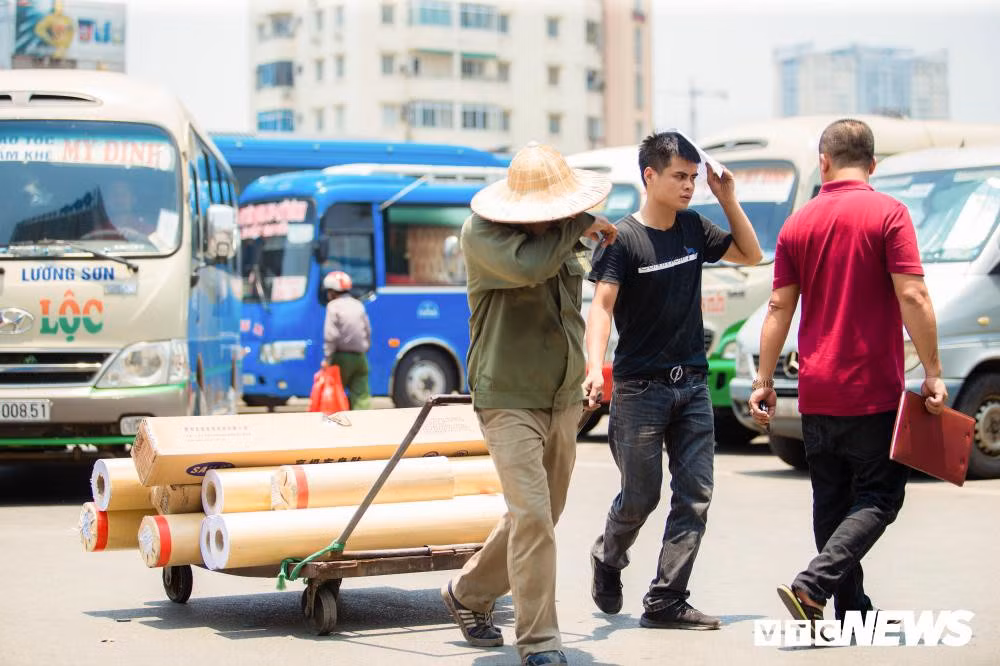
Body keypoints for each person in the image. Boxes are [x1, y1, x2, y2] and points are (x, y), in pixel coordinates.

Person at [746, 118, 946, 627]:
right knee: (879, 496)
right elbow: (913, 294)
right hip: (872, 391)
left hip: (815, 391)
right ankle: (813, 585)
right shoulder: (889, 213)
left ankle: (850, 607)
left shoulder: (798, 225)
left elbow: (777, 308)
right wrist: (935, 371)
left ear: (823, 162)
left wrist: (764, 381)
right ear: (873, 164)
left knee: (832, 502)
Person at [439, 141, 617, 666]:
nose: (558, 219)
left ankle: (467, 594)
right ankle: (539, 643)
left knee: (541, 514)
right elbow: (533, 267)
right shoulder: (483, 235)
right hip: (507, 396)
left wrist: (588, 370)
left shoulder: (566, 236)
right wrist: (581, 223)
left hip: (560, 395)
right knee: (533, 514)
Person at [584, 131, 762, 630]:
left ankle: (666, 599)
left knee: (695, 495)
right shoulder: (623, 239)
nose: (689, 187)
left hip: (693, 387)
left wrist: (728, 199)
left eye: (692, 177)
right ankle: (609, 555)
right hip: (641, 389)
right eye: (679, 177)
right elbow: (601, 307)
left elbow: (750, 255)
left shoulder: (692, 228)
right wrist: (595, 368)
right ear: (650, 176)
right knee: (640, 496)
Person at [321, 270, 372, 410]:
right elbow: (367, 331)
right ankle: (363, 424)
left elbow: (330, 335)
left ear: (332, 292)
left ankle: (338, 425)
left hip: (341, 357)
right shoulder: (358, 305)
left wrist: (327, 359)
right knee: (361, 396)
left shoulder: (333, 306)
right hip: (360, 358)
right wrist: (365, 350)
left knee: (335, 393)